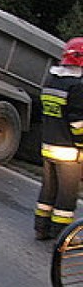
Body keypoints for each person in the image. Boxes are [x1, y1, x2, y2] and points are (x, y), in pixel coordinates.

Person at [35, 37, 83, 240]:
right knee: (67, 194)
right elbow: (78, 123)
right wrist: (81, 147)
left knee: (48, 190)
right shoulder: (78, 86)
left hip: (48, 146)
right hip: (68, 150)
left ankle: (41, 228)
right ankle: (62, 234)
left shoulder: (51, 80)